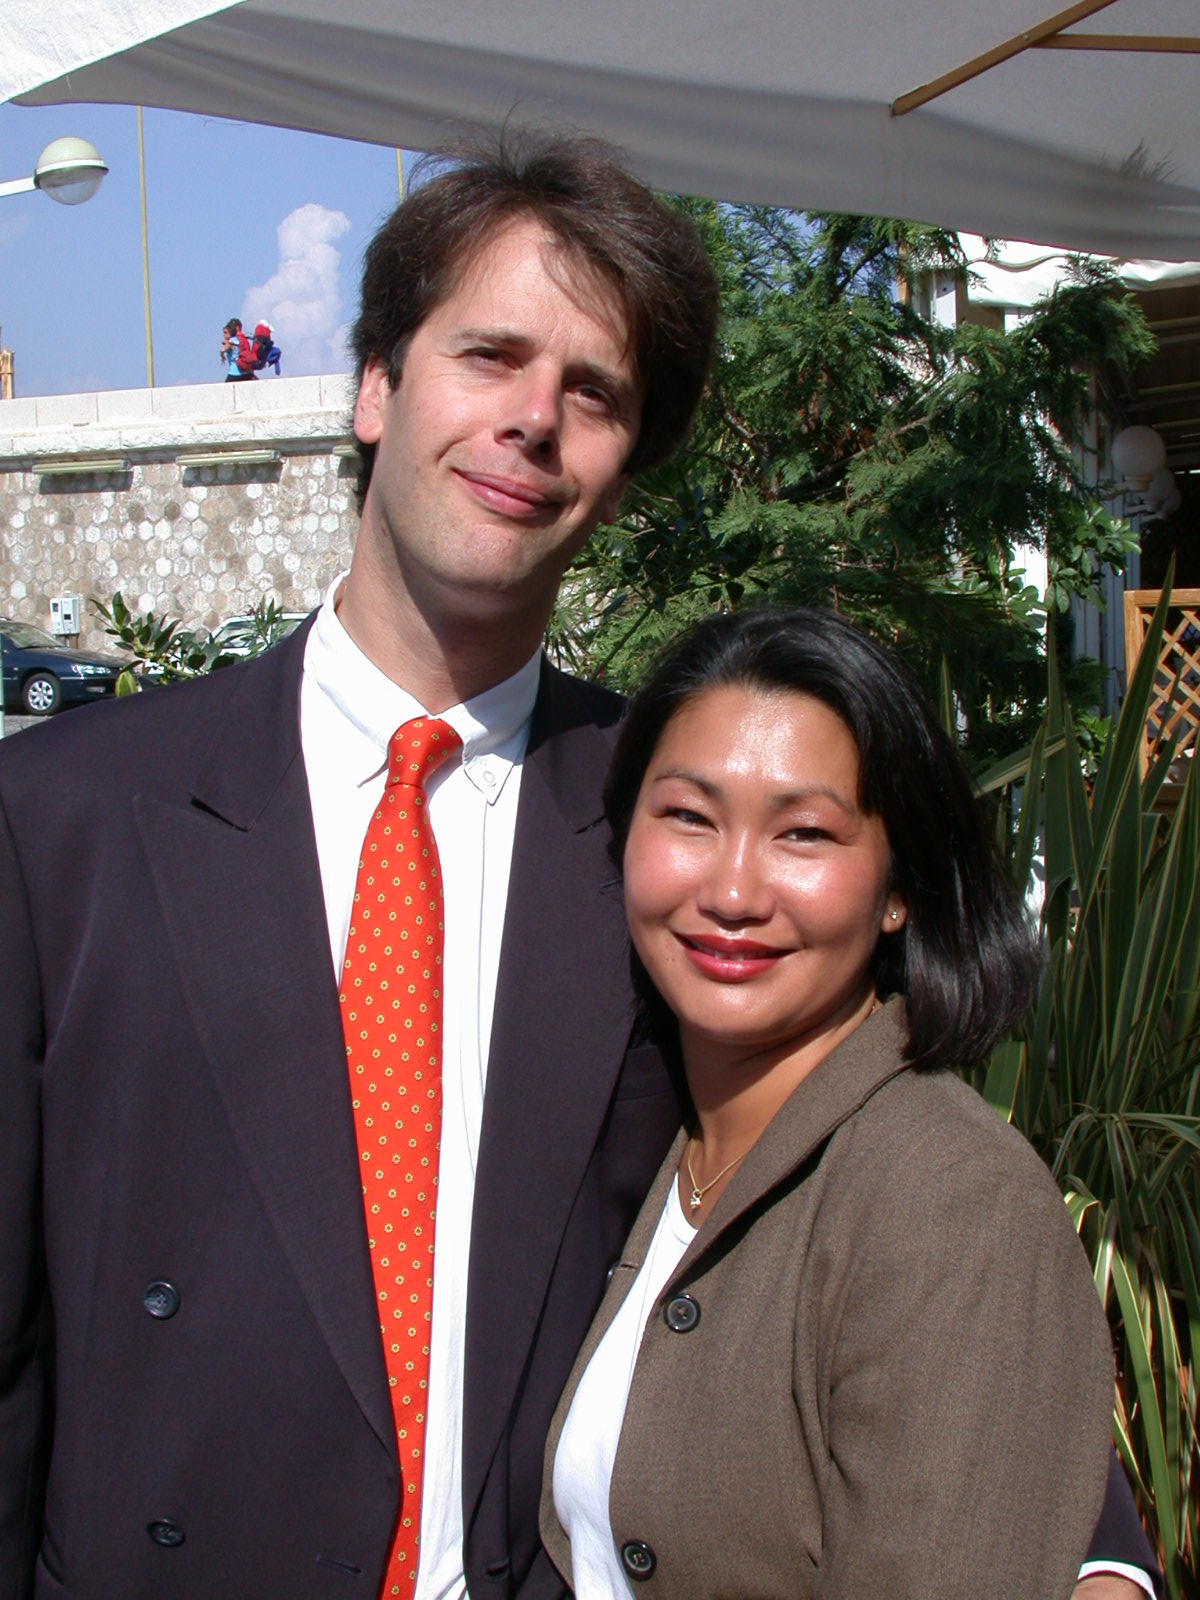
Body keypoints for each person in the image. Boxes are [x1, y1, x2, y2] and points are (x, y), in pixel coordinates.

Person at [0, 134, 1151, 1600]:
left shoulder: (671, 841)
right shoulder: (67, 815)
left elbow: (864, 1151)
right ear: (375, 384)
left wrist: (1096, 1548)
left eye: (594, 392)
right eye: (489, 354)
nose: (534, 418)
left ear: (621, 476)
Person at [540, 607, 1147, 1600]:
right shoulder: (665, 1140)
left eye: (805, 833)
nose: (733, 891)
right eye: (690, 816)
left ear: (898, 887)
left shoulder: (948, 1198)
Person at [220, 314, 255, 381]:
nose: (223, 335)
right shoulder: (243, 340)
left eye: (225, 332)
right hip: (246, 372)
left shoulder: (232, 342)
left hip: (234, 373)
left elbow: (223, 349)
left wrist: (222, 355)